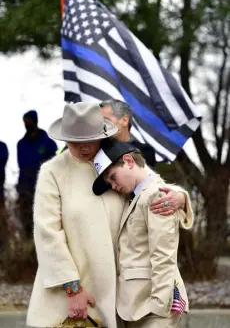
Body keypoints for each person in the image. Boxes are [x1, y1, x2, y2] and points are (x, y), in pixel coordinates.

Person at [27, 103, 193, 328]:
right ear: (65, 138)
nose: (84, 147)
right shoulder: (53, 171)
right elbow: (47, 233)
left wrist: (180, 197)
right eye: (76, 141)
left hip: (119, 293)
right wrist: (72, 288)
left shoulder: (117, 158)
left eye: (90, 139)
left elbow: (152, 186)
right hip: (72, 292)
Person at [92, 139, 190, 328]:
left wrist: (160, 307)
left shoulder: (157, 195)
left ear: (129, 161)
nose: (113, 186)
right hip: (136, 305)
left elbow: (164, 255)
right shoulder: (135, 196)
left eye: (113, 177)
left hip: (154, 308)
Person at [17, 110, 57, 238]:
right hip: (25, 190)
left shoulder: (48, 143)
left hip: (43, 189)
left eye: (28, 121)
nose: (26, 124)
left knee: (44, 224)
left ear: (35, 121)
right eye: (24, 122)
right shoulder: (21, 144)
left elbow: (54, 166)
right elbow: (21, 167)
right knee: (27, 223)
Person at [100, 99, 156, 169]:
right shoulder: (95, 149)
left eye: (106, 120)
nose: (101, 124)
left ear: (124, 120)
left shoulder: (146, 151)